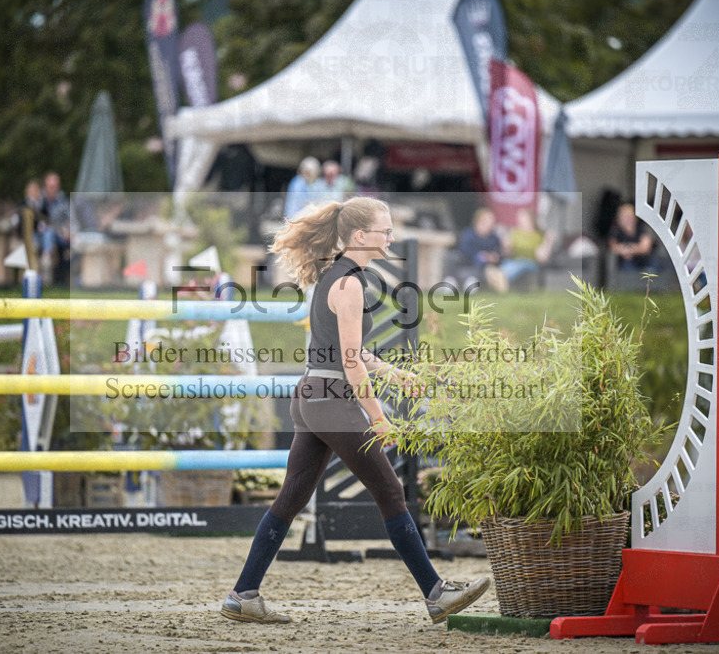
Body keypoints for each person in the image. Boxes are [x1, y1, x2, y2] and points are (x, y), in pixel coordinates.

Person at [221, 196, 489, 625]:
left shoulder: (336, 276)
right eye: (386, 231)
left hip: (311, 396)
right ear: (361, 236)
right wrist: (377, 415)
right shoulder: (350, 284)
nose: (391, 237)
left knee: (291, 497)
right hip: (332, 401)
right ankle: (436, 594)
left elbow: (354, 351)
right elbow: (349, 361)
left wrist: (393, 375)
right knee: (390, 492)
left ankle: (243, 595)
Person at [454, 208, 508, 293]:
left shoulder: (494, 238)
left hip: (491, 266)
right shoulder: (469, 235)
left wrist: (495, 257)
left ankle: (503, 294)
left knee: (498, 273)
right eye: (489, 220)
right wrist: (482, 255)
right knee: (492, 272)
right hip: (473, 264)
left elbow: (499, 254)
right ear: (480, 221)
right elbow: (465, 251)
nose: (492, 223)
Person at [38, 171, 78, 282]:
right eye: (51, 186)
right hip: (41, 235)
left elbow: (72, 219)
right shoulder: (39, 200)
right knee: (48, 232)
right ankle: (46, 262)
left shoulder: (63, 201)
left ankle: (75, 278)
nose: (53, 189)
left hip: (60, 234)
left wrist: (69, 231)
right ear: (45, 186)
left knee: (76, 242)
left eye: (55, 186)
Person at [501, 209, 552, 285]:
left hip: (530, 262)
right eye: (519, 218)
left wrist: (548, 243)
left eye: (523, 218)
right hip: (514, 261)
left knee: (517, 265)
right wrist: (506, 247)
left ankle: (500, 279)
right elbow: (507, 254)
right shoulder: (514, 233)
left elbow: (542, 258)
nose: (520, 221)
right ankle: (500, 279)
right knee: (507, 264)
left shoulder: (539, 235)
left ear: (531, 220)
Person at [608, 204, 654, 272]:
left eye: (629, 217)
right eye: (624, 217)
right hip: (623, 264)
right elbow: (612, 247)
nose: (627, 220)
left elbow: (645, 247)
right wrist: (624, 251)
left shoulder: (642, 228)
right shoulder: (615, 231)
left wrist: (629, 250)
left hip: (644, 262)